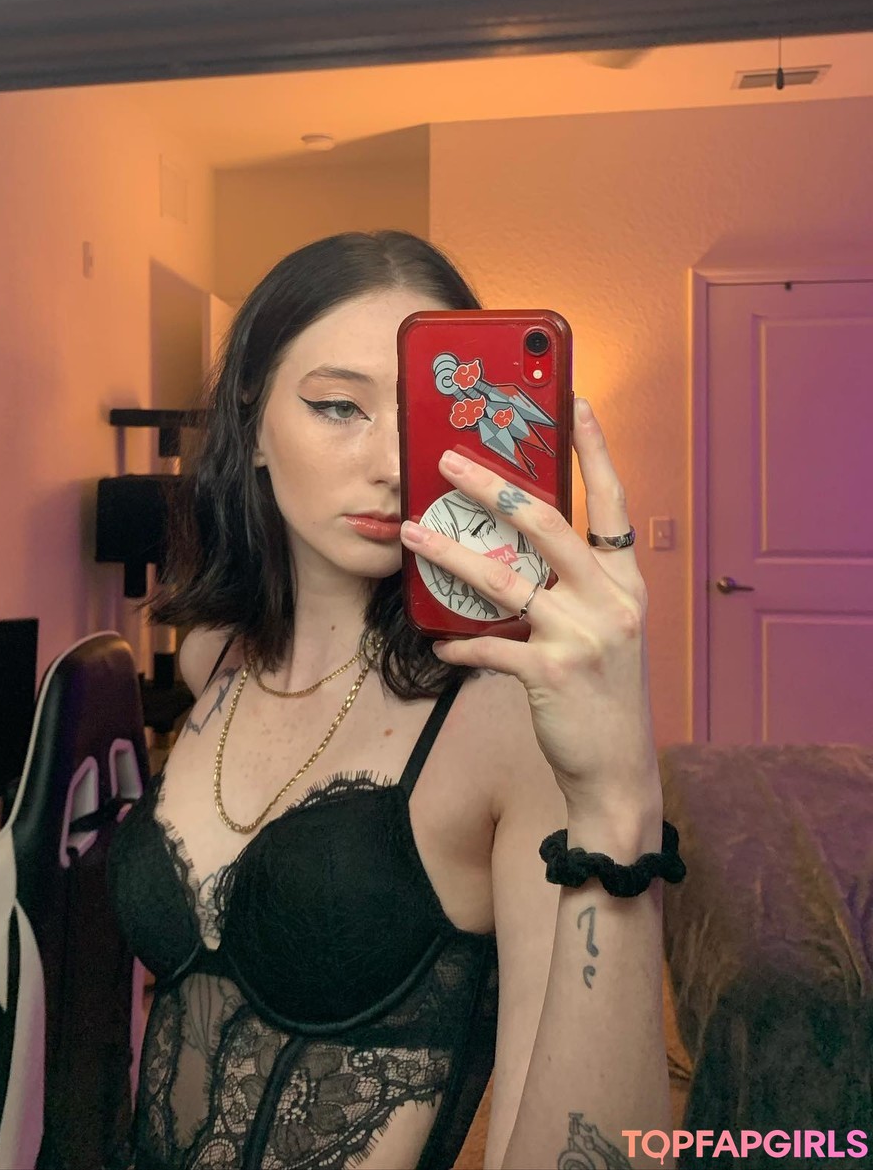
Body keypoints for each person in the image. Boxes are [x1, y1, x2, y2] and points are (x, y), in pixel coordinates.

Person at [108, 230, 678, 1170]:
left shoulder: (504, 717)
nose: (392, 462)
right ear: (251, 419)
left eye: (426, 416)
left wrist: (619, 800)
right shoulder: (215, 654)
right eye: (339, 405)